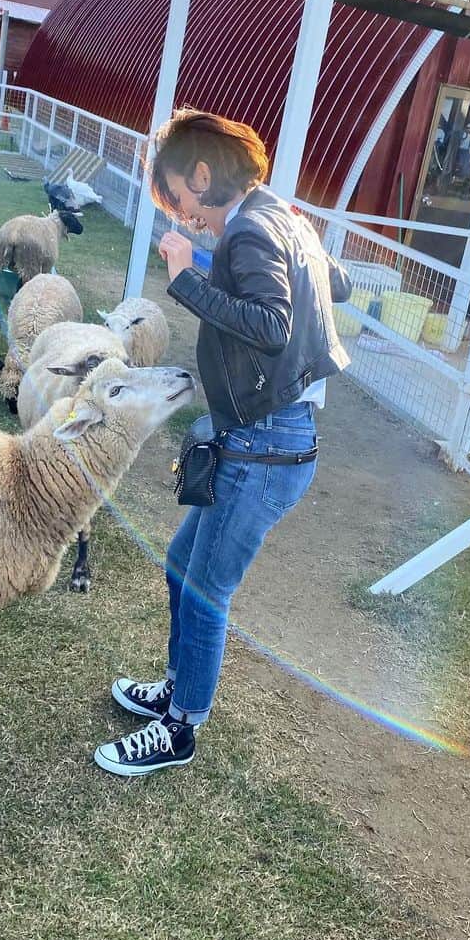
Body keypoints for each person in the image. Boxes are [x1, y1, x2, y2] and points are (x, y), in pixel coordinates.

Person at [94, 110, 352, 777]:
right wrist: (274, 249)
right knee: (184, 564)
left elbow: (270, 324)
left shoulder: (251, 228)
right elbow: (338, 284)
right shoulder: (277, 218)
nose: (182, 217)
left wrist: (186, 279)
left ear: (203, 175)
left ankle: (181, 728)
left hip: (268, 445)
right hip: (268, 436)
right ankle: (179, 691)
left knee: (206, 589)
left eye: (178, 199)